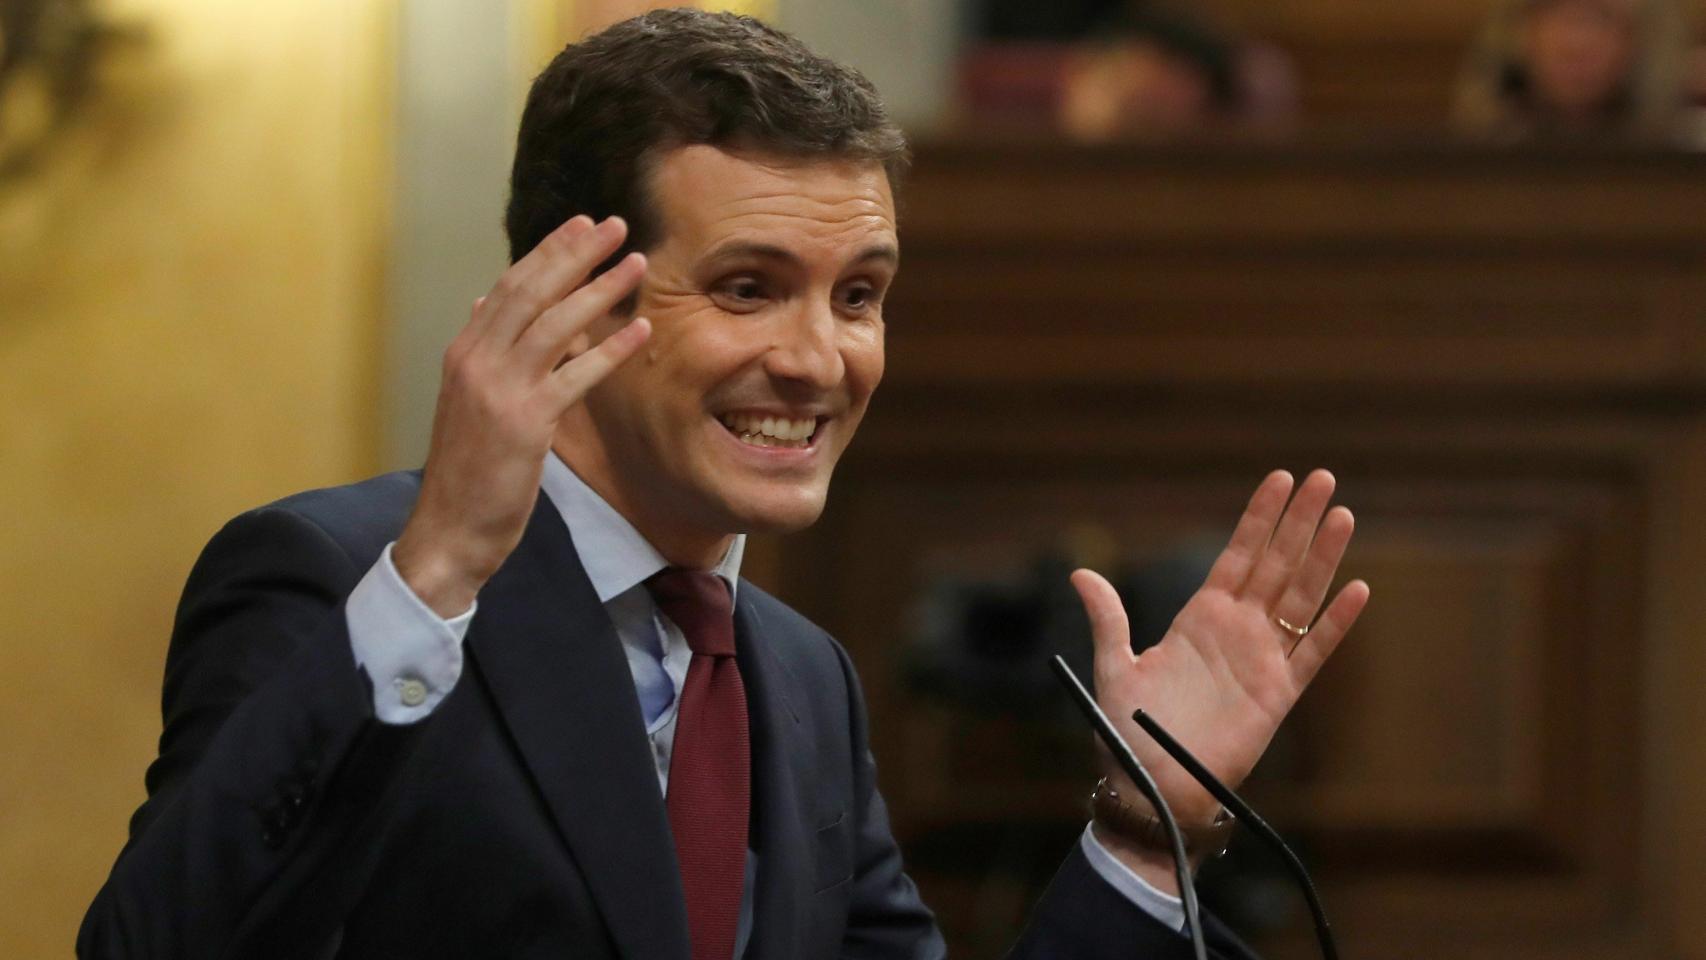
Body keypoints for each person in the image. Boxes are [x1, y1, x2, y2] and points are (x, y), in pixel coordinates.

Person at [78, 9, 1368, 959]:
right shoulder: (347, 578)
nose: (817, 361)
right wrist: (434, 578)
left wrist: (1143, 836)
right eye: (748, 287)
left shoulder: (798, 675)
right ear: (567, 299)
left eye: (858, 298)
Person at [1454, 0, 1692, 141]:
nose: (1575, 43)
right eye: (1553, 12)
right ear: (1516, 32)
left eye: (1599, 17)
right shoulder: (1469, 173)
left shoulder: (1679, 175)